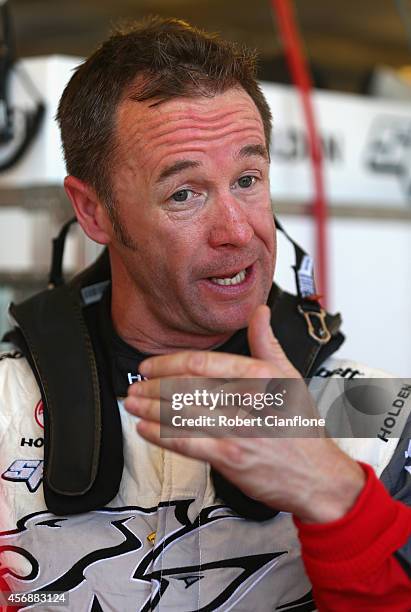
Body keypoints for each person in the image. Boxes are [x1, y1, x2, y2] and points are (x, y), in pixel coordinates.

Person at [0, 17, 410, 611]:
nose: (238, 232)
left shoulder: (375, 411)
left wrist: (335, 492)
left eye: (248, 179)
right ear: (93, 212)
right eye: (184, 194)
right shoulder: (8, 411)